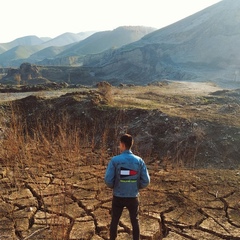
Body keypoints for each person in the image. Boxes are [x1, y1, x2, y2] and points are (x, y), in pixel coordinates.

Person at [104, 134, 150, 240]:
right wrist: (136, 186)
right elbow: (146, 181)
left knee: (114, 220)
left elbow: (108, 180)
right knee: (135, 221)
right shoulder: (139, 161)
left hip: (118, 197)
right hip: (133, 197)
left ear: (123, 144)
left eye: (120, 144)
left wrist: (114, 186)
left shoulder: (115, 160)